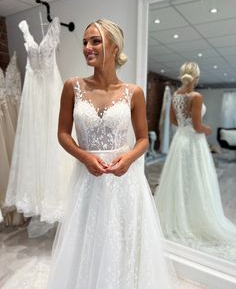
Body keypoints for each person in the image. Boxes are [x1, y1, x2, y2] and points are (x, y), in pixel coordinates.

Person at [46, 19, 174, 288]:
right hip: (87, 178)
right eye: (84, 42)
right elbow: (63, 134)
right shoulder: (73, 86)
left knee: (122, 241)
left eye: (95, 41)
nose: (87, 47)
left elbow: (142, 140)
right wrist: (84, 156)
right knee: (86, 240)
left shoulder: (133, 93)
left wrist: (128, 158)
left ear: (114, 47)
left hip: (123, 180)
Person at [154, 62, 236, 261]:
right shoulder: (196, 96)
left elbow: (174, 121)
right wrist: (208, 129)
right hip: (193, 142)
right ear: (196, 77)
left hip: (180, 141)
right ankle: (192, 216)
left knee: (180, 179)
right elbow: (199, 126)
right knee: (196, 179)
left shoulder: (176, 96)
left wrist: (186, 125)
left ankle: (179, 216)